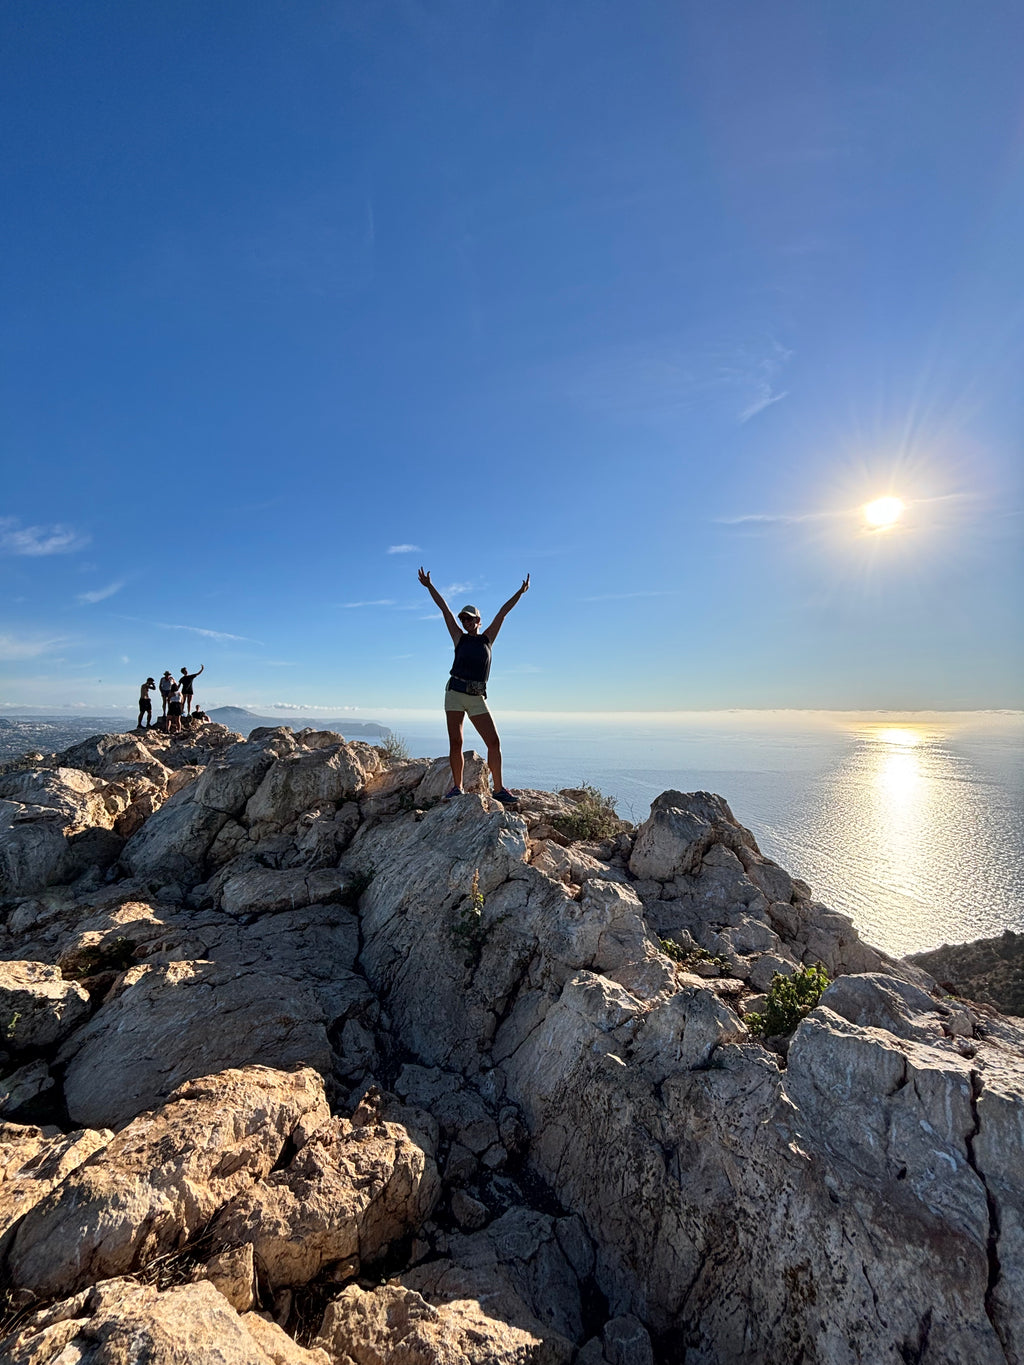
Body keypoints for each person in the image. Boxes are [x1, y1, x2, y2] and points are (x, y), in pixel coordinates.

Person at [418, 567, 530, 804]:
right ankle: (456, 787)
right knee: (456, 742)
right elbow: (445, 610)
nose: (466, 621)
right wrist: (430, 587)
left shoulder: (487, 638)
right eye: (464, 619)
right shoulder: (459, 638)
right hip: (455, 694)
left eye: (470, 618)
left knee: (494, 742)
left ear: (479, 620)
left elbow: (502, 613)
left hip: (477, 697)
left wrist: (520, 592)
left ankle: (498, 789)